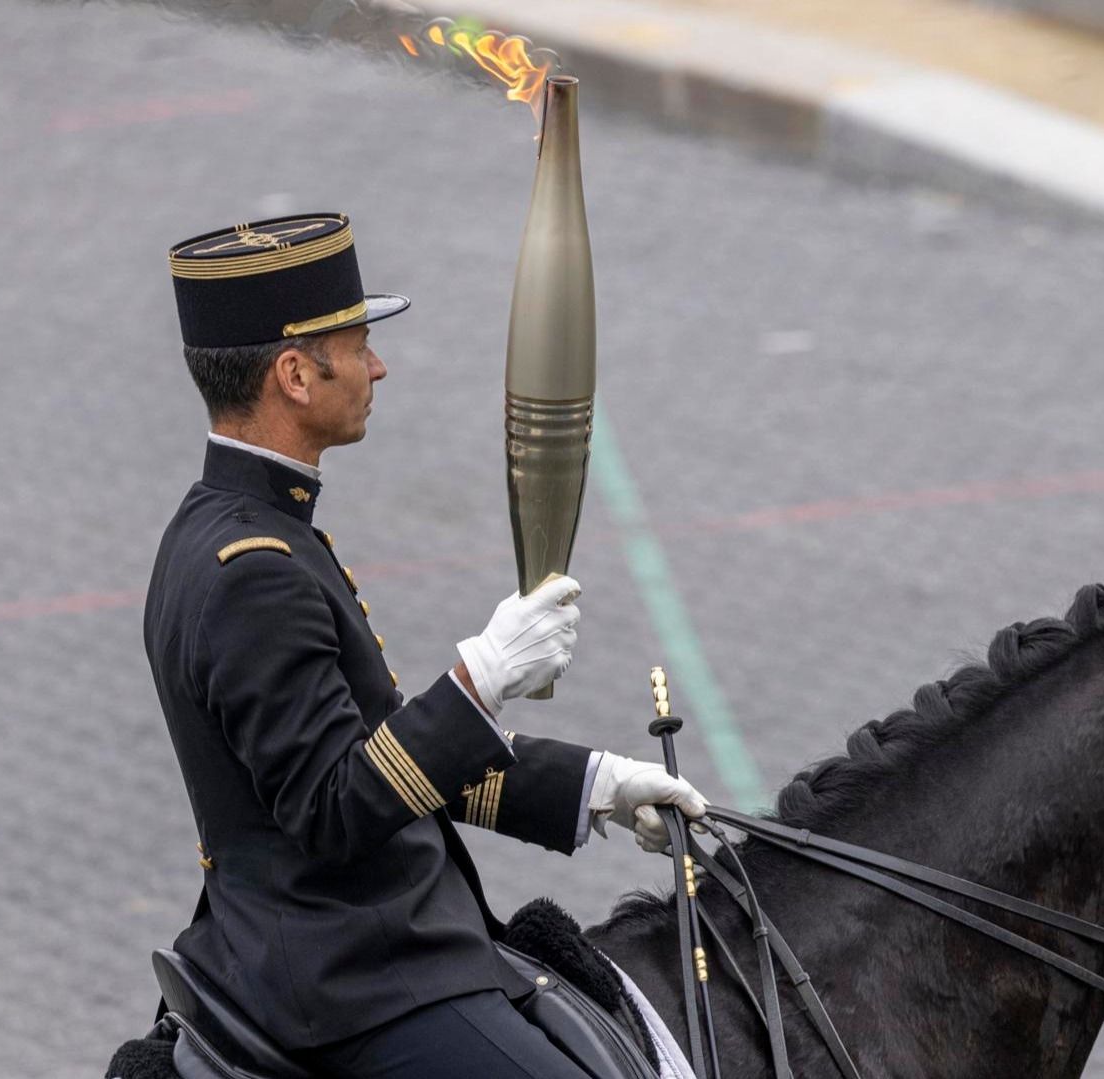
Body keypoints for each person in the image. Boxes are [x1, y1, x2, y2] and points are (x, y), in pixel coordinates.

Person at [143, 212, 708, 1079]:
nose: (377, 364)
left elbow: (383, 756)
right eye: (357, 342)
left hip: (342, 948)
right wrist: (481, 677)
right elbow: (337, 809)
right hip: (353, 979)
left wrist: (589, 786)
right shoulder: (254, 571)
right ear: (295, 374)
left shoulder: (228, 531)